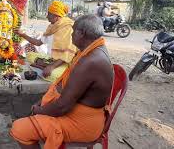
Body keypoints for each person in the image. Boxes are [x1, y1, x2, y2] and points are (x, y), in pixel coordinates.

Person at [10, 14, 114, 149]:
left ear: (81, 33)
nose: (71, 35)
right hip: (83, 113)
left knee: (19, 129)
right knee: (37, 110)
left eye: (73, 31)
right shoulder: (93, 50)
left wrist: (39, 110)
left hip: (83, 124)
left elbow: (62, 107)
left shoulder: (91, 61)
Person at [14, 1, 77, 82]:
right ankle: (44, 65)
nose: (47, 16)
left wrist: (52, 67)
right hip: (52, 59)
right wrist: (23, 35)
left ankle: (43, 66)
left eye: (49, 14)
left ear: (56, 16)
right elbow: (38, 43)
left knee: (52, 75)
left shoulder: (68, 28)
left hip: (65, 62)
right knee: (29, 55)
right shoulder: (52, 27)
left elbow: (67, 54)